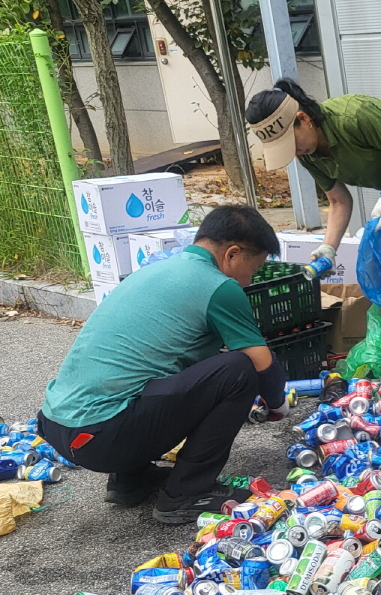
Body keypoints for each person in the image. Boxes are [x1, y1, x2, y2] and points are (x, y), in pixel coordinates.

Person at [37, 205, 288, 524]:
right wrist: (278, 405)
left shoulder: (156, 270)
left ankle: (131, 480)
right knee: (237, 370)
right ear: (232, 254)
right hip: (102, 436)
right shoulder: (218, 286)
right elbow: (261, 362)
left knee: (157, 367)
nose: (249, 282)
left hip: (59, 426)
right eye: (253, 270)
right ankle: (186, 493)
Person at [245, 79, 381, 279]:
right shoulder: (308, 154)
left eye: (292, 143)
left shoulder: (352, 116)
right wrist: (328, 248)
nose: (295, 152)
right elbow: (339, 201)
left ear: (303, 119)